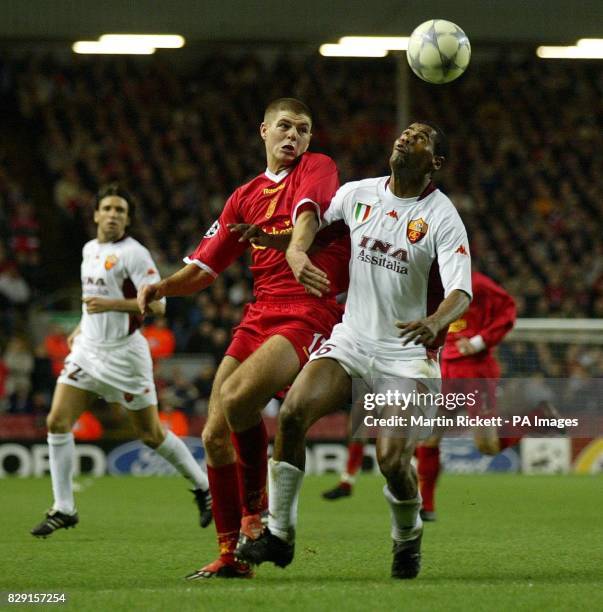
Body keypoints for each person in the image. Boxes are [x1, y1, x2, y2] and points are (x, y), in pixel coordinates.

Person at [237, 121, 473, 579]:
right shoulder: (357, 193)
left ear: (435, 163)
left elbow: (461, 291)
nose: (405, 138)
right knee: (291, 414)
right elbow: (316, 233)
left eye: (420, 137)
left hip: (406, 356)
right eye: (404, 133)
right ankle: (280, 536)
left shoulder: (443, 216)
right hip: (353, 340)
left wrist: (436, 322)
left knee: (390, 461)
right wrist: (276, 239)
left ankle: (407, 536)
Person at [138, 98, 350, 579]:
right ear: (263, 131)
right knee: (214, 436)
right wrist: (162, 286)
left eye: (302, 128)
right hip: (258, 315)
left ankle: (257, 518)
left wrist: (297, 252)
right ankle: (232, 557)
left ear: (310, 139)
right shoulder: (244, 194)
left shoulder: (317, 168)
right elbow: (204, 267)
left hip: (307, 311)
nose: (292, 136)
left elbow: (308, 214)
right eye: (284, 127)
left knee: (236, 400)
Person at [31, 184, 212, 538]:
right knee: (56, 421)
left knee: (150, 434)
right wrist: (83, 326)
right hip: (88, 351)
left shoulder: (134, 254)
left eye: (120, 211)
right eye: (108, 209)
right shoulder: (88, 250)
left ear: (127, 220)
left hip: (126, 355)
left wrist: (112, 306)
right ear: (96, 214)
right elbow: (92, 300)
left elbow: (159, 305)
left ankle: (203, 487)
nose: (113, 215)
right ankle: (64, 507)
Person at [416, 270, 516, 520]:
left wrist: (480, 341)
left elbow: (508, 309)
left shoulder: (478, 283)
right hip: (445, 367)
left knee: (487, 447)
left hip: (475, 371)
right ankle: (426, 507)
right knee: (428, 438)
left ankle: (537, 418)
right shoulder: (430, 283)